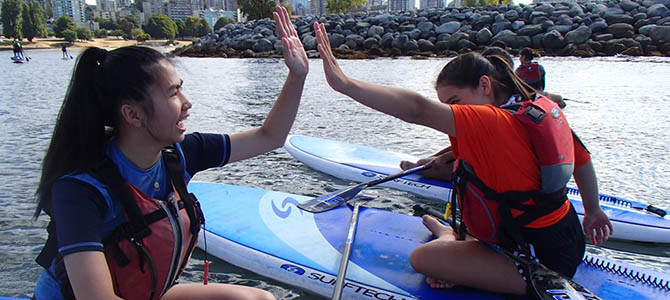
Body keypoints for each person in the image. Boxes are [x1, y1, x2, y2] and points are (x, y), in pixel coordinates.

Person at [313, 22, 613, 296]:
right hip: (565, 237)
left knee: (423, 259)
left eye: (454, 103)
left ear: (485, 86)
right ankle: (461, 242)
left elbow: (416, 109)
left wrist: (346, 84)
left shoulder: (491, 121)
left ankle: (448, 238)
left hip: (541, 263)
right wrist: (593, 210)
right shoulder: (531, 109)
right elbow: (582, 161)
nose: (452, 112)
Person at [32, 6, 307, 300]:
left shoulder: (180, 154)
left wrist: (298, 75)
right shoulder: (80, 190)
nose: (187, 103)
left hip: (146, 294)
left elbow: (269, 137)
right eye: (173, 94)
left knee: (260, 299)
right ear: (133, 115)